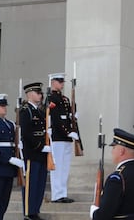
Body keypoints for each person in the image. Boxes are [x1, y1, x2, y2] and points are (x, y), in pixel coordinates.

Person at [90, 128, 134, 220]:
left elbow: (104, 215)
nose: (112, 151)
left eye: (114, 147)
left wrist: (94, 212)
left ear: (121, 151)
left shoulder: (117, 178)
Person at [0, 94, 24, 220]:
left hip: (7, 170)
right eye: (1, 106)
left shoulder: (10, 124)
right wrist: (9, 159)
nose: (4, 108)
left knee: (3, 203)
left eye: (5, 105)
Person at [20, 82, 50, 220]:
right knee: (31, 184)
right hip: (32, 153)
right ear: (30, 94)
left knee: (40, 184)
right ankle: (28, 212)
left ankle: (35, 210)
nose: (40, 95)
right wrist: (40, 146)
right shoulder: (25, 111)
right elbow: (26, 133)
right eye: (38, 93)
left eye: (40, 93)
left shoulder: (40, 110)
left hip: (42, 154)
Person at [48, 73, 79, 203]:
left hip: (66, 138)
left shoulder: (65, 99)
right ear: (53, 82)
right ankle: (56, 194)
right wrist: (67, 132)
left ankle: (63, 192)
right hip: (58, 137)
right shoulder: (51, 98)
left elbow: (68, 116)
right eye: (59, 82)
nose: (61, 84)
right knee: (58, 167)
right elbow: (55, 118)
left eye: (62, 82)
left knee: (65, 166)